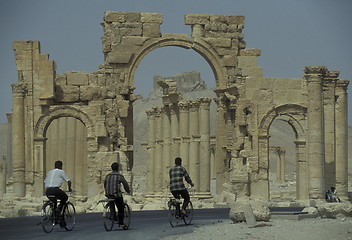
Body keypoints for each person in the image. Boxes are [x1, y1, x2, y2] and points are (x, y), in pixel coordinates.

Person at [104, 162, 130, 227]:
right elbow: (125, 184)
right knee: (120, 207)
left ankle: (113, 216)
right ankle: (121, 223)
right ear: (118, 168)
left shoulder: (108, 176)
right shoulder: (119, 176)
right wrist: (128, 191)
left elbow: (105, 185)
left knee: (111, 204)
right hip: (116, 195)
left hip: (108, 194)